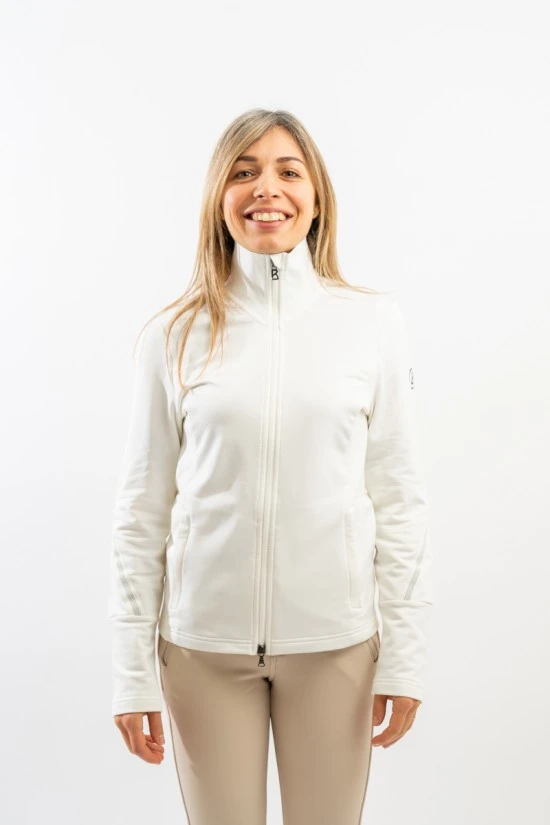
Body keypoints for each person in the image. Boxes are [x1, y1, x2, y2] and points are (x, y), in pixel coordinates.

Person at [108, 108, 433, 825]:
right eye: (244, 171)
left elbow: (399, 498)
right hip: (202, 649)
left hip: (335, 646)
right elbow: (141, 511)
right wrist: (131, 672)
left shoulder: (372, 325)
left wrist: (406, 656)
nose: (267, 189)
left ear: (317, 199)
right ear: (218, 197)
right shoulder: (172, 335)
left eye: (289, 171)